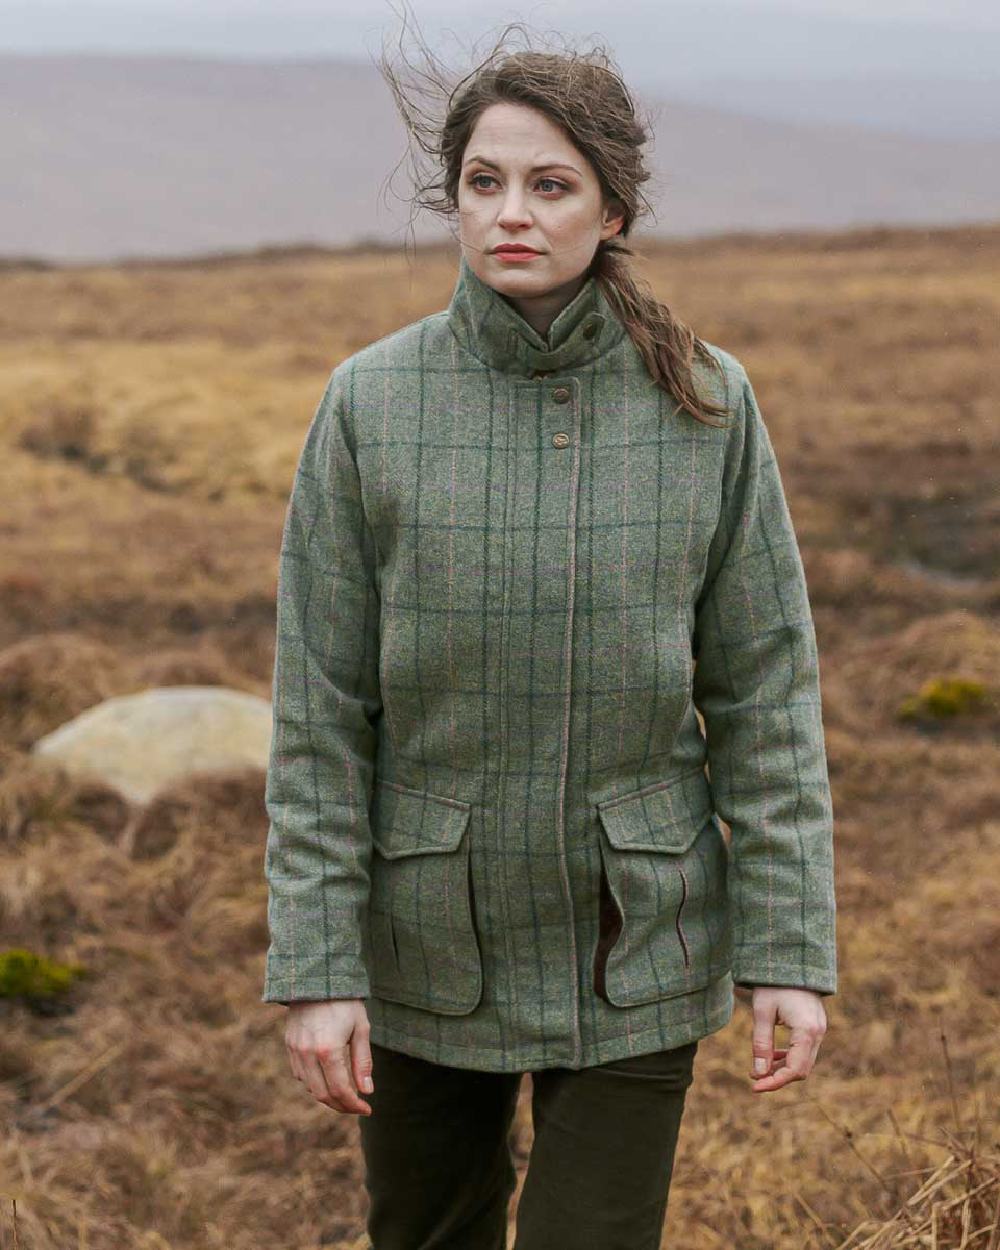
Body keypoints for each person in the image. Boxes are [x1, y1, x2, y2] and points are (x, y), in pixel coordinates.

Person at [261, 24, 837, 1250]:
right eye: (483, 181)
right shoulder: (370, 401)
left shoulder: (707, 402)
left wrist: (788, 947)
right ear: (454, 200)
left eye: (551, 183)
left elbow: (764, 694)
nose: (510, 213)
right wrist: (316, 966)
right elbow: (317, 711)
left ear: (614, 208)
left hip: (638, 937)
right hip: (423, 941)